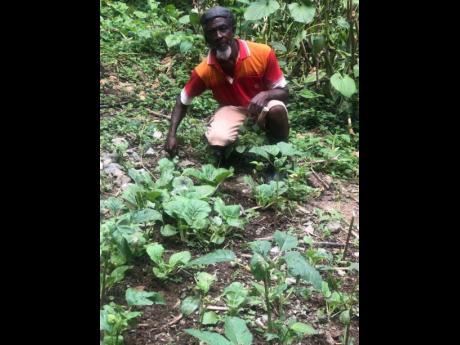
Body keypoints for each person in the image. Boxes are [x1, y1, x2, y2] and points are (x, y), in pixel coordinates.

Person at [164, 6, 289, 162]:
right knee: (217, 137)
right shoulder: (204, 70)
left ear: (233, 30)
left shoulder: (262, 53)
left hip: (263, 106)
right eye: (212, 32)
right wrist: (171, 135)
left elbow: (285, 91)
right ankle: (227, 156)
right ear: (206, 38)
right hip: (233, 109)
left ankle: (279, 157)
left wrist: (265, 95)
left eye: (223, 29)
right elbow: (183, 100)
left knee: (277, 109)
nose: (219, 36)